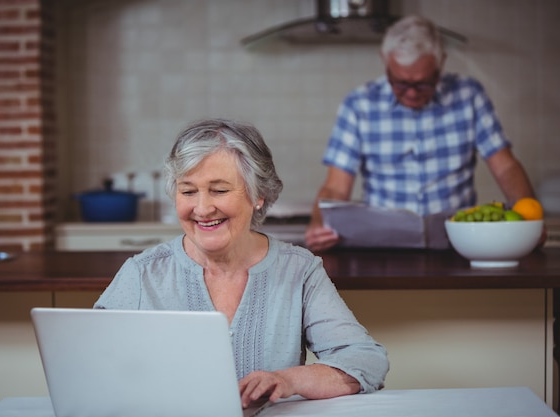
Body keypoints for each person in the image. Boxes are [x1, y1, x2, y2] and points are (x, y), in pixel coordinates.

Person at [94, 118, 389, 408]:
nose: (202, 208)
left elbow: (366, 360)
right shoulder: (142, 273)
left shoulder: (299, 270)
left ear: (257, 195)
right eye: (188, 191)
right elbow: (89, 367)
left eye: (219, 190)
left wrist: (289, 380)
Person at [305, 15, 541, 252]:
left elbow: (505, 166)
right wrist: (319, 226)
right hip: (381, 252)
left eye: (424, 83)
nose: (411, 93)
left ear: (441, 64)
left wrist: (530, 220)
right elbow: (335, 187)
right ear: (385, 62)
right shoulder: (358, 104)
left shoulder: (469, 94)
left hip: (459, 247)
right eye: (399, 83)